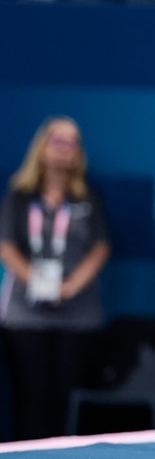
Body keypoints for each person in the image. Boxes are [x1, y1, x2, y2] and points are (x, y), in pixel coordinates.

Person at [0, 117, 110, 440]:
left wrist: (71, 286)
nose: (64, 150)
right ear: (42, 146)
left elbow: (101, 246)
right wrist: (34, 280)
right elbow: (6, 244)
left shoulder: (88, 197)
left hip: (77, 311)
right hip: (27, 312)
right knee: (30, 396)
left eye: (72, 142)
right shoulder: (20, 195)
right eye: (57, 141)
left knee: (67, 397)